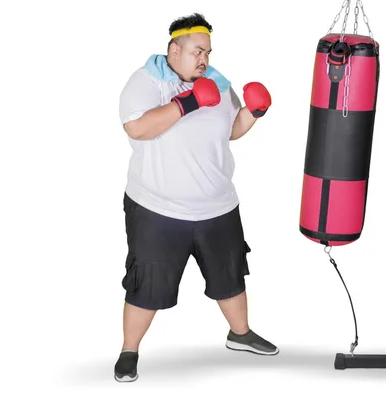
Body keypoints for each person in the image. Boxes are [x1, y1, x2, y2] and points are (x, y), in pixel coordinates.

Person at [114, 12, 278, 382]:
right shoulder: (145, 82)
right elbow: (137, 128)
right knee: (147, 282)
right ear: (174, 49)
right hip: (158, 207)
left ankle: (240, 334)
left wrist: (254, 112)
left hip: (218, 205)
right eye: (197, 51)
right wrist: (187, 103)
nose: (204, 59)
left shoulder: (218, 84)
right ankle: (129, 351)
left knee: (230, 273)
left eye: (208, 52)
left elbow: (231, 131)